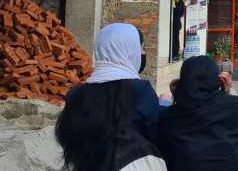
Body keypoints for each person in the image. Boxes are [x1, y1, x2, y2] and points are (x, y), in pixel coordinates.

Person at [56, 23, 169, 170]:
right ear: (130, 51)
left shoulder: (75, 94)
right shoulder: (141, 91)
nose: (143, 53)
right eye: (142, 48)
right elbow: (157, 136)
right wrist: (164, 105)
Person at [158, 56, 238, 171]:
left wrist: (176, 96)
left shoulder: (169, 119)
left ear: (183, 82)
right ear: (217, 80)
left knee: (163, 98)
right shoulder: (234, 111)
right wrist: (227, 94)